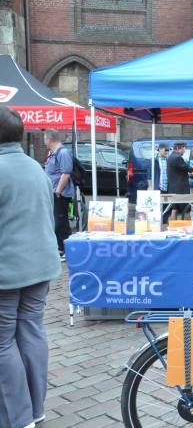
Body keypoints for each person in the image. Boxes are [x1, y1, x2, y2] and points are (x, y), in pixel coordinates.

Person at [0, 106, 61, 428]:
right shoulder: (36, 167)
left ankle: (18, 416)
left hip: (7, 271)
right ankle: (34, 409)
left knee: (2, 341)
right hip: (40, 265)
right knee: (31, 331)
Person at [43, 128, 73, 258]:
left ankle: (65, 249)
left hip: (60, 193)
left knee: (61, 220)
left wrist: (58, 191)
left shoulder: (63, 152)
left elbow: (66, 173)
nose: (44, 142)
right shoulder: (53, 152)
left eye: (45, 139)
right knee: (57, 220)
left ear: (49, 139)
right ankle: (61, 248)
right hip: (54, 192)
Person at [166, 142, 193, 220]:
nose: (184, 151)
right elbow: (190, 168)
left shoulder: (171, 157)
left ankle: (173, 226)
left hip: (173, 188)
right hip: (179, 190)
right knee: (186, 209)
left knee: (174, 209)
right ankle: (185, 227)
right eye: (184, 149)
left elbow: (179, 172)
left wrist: (190, 175)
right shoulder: (177, 158)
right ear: (180, 148)